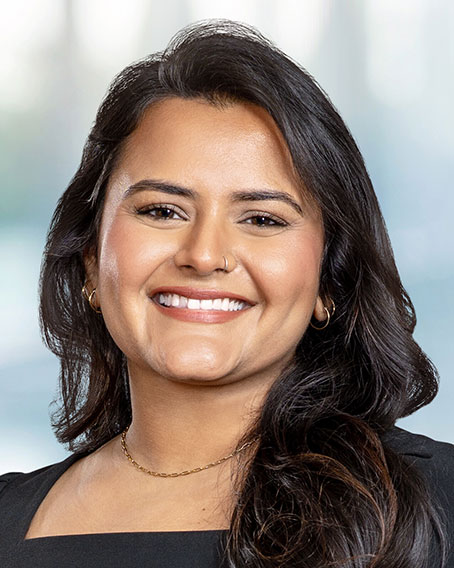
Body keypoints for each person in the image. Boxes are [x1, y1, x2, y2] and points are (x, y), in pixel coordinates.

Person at [0, 19, 453, 568]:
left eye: (262, 219)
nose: (204, 254)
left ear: (329, 281)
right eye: (162, 211)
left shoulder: (440, 501)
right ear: (91, 261)